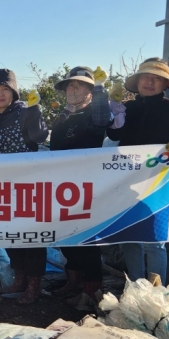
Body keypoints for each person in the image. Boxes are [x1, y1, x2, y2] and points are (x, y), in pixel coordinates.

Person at [106, 57, 169, 284]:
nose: (150, 82)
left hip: (157, 181)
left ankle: (157, 293)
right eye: (146, 77)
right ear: (138, 82)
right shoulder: (128, 108)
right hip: (127, 179)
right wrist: (112, 110)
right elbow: (114, 135)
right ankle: (136, 286)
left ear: (165, 85)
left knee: (155, 240)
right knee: (130, 236)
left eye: (156, 79)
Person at [0, 69, 50, 304]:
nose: (0, 94)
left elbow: (40, 137)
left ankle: (34, 285)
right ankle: (19, 278)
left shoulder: (24, 112)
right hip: (0, 188)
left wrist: (35, 111)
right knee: (11, 235)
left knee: (31, 235)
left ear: (14, 92)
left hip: (27, 186)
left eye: (5, 89)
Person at [49, 66, 112, 308]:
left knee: (86, 241)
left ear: (90, 91)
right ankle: (72, 282)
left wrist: (101, 91)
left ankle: (91, 292)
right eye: (70, 86)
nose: (73, 90)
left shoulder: (93, 115)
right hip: (62, 188)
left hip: (87, 188)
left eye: (79, 86)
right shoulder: (63, 116)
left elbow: (102, 120)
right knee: (66, 237)